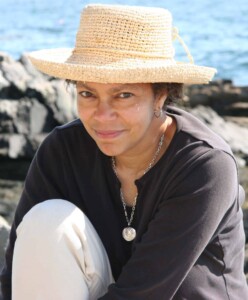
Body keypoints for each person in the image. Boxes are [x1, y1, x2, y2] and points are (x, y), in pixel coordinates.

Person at [1, 3, 247, 300]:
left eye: (124, 94)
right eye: (87, 93)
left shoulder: (205, 166)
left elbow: (141, 294)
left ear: (161, 94)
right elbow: (18, 275)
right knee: (46, 221)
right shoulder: (62, 151)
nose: (102, 115)